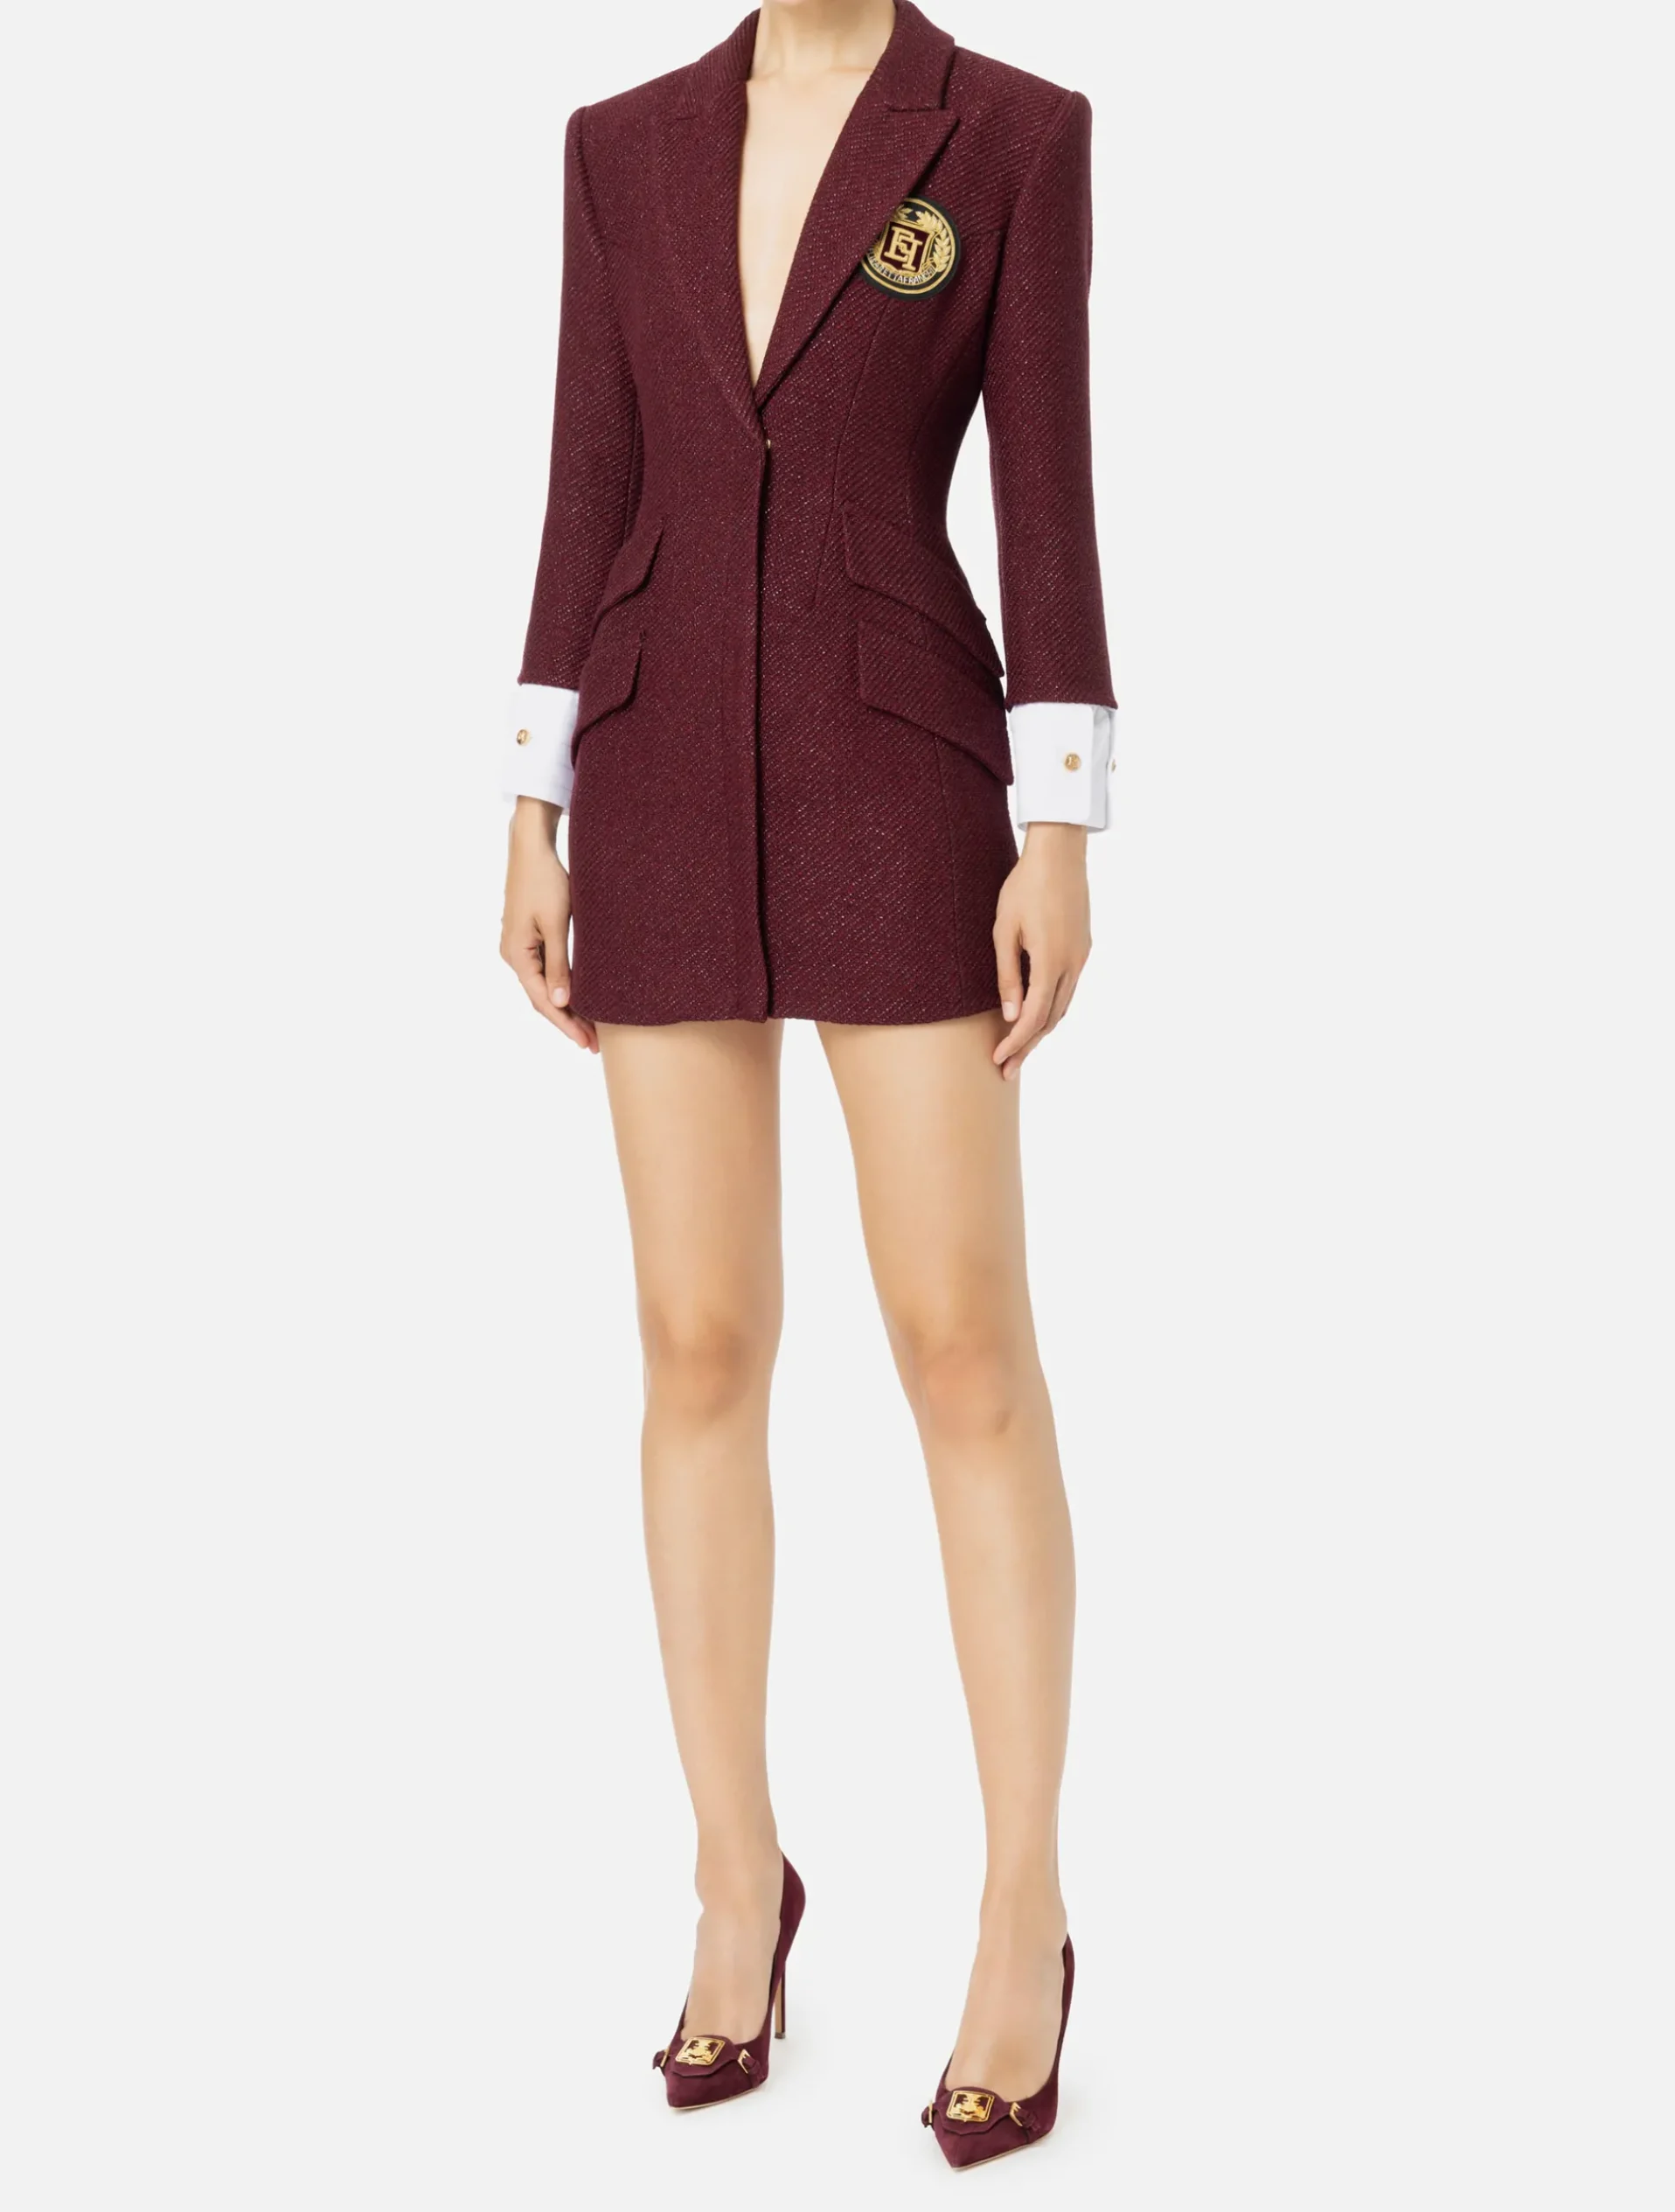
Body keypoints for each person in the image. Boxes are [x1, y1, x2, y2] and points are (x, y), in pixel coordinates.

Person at [496, 0, 1115, 2166]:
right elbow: (589, 480)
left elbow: (1045, 497)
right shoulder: (618, 143)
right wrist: (530, 801)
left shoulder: (1011, 134)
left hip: (898, 769)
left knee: (960, 1342)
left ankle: (1021, 1907)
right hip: (658, 767)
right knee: (693, 1339)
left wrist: (1059, 824)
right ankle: (732, 1875)